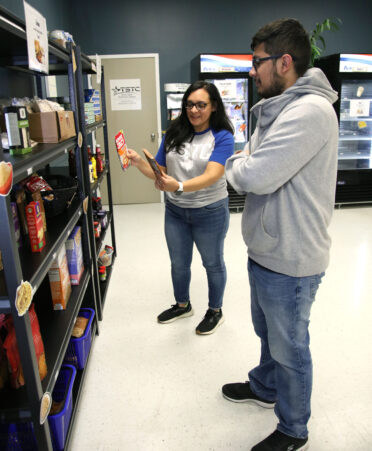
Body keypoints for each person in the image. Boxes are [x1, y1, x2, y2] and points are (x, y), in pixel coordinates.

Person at [222, 18, 339, 450]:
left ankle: (293, 427)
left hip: (291, 258)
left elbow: (255, 173)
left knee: (290, 348)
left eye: (257, 62)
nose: (252, 71)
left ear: (284, 61)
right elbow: (251, 158)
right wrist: (246, 158)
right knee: (268, 333)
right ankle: (264, 387)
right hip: (268, 249)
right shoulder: (282, 105)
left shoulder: (308, 112)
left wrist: (240, 162)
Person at [127, 80, 234, 335]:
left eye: (201, 105)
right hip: (175, 211)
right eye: (189, 104)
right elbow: (161, 174)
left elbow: (213, 175)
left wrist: (179, 187)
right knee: (178, 263)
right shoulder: (174, 132)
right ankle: (183, 305)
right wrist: (139, 162)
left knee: (213, 263)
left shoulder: (223, 137)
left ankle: (215, 311)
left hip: (210, 211)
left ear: (214, 106)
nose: (194, 110)